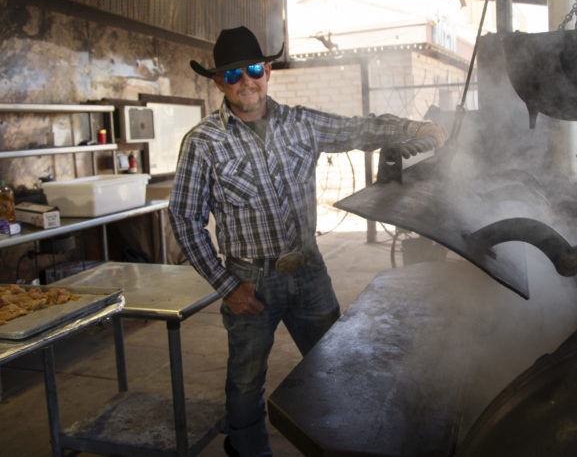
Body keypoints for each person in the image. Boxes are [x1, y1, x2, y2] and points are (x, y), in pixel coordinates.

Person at [169, 26, 448, 457]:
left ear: (268, 72)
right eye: (233, 74)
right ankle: (247, 449)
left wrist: (416, 126)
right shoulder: (203, 143)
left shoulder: (301, 123)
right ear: (218, 82)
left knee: (334, 364)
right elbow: (185, 220)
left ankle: (340, 443)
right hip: (250, 280)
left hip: (310, 270)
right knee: (246, 381)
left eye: (254, 69)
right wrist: (228, 287)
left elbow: (360, 129)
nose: (247, 81)